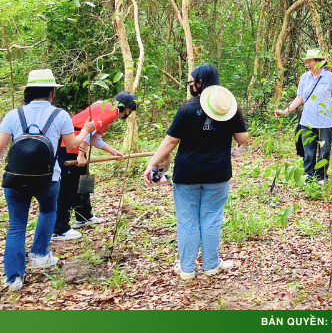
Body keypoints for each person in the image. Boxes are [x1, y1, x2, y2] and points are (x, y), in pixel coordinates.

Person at [144, 64, 248, 280]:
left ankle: (187, 269)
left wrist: (151, 164)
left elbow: (171, 140)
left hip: (187, 175)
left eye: (192, 82)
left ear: (200, 83)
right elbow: (242, 139)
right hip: (218, 174)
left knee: (187, 220)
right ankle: (211, 265)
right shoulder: (229, 108)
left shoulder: (187, 109)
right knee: (211, 219)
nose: (191, 86)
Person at [0, 69, 95, 292]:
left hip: (15, 180)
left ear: (29, 91)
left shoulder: (13, 115)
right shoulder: (60, 115)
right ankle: (40, 254)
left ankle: (13, 278)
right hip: (48, 178)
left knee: (16, 226)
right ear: (52, 92)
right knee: (47, 211)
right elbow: (72, 145)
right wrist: (87, 130)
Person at [52, 91, 137, 241]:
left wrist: (114, 151)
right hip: (69, 146)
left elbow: (95, 137)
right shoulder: (111, 112)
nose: (129, 114)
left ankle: (84, 217)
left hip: (75, 145)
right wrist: (80, 154)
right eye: (130, 110)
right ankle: (59, 229)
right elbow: (87, 133)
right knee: (69, 188)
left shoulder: (104, 107)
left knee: (83, 183)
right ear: (126, 107)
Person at [275, 49, 332, 182]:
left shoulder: (331, 78)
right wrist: (285, 111)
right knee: (309, 152)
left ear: (319, 62)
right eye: (306, 61)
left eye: (310, 61)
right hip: (307, 121)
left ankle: (321, 176)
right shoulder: (305, 78)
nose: (307, 64)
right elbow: (300, 98)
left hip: (325, 122)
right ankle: (309, 177)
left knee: (325, 150)